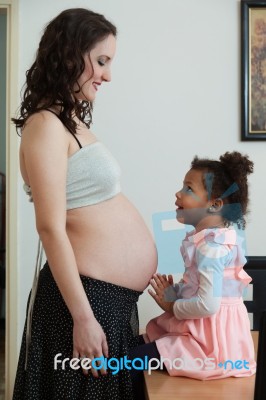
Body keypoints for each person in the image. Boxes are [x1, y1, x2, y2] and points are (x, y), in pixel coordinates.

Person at [12, 8, 157, 400]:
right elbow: (50, 228)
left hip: (107, 302)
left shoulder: (68, 121)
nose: (107, 75)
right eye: (101, 61)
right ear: (70, 53)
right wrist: (83, 317)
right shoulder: (44, 125)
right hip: (79, 305)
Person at [131, 151, 256, 384]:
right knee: (131, 351)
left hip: (210, 345)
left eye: (189, 189)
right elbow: (200, 288)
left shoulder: (212, 247)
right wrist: (177, 292)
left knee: (129, 362)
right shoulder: (206, 240)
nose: (178, 193)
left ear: (215, 205)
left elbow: (208, 305)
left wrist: (171, 305)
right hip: (200, 331)